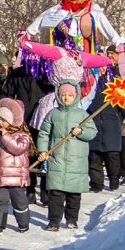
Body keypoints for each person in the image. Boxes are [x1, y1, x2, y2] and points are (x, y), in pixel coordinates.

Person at [37, 80, 97, 230]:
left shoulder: (82, 114)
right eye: (63, 95)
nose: (66, 98)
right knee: (55, 193)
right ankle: (54, 221)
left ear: (75, 96)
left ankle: (71, 219)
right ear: (58, 95)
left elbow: (92, 133)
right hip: (56, 159)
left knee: (73, 194)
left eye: (70, 95)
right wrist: (43, 150)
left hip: (76, 162)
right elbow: (44, 133)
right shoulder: (53, 114)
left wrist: (81, 132)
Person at [0, 99, 33, 234]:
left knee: (19, 202)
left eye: (3, 120)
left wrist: (5, 136)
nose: (0, 123)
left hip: (16, 178)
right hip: (0, 177)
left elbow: (17, 148)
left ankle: (23, 223)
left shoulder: (23, 135)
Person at [88, 67, 125, 192]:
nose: (100, 70)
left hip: (111, 128)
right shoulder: (88, 85)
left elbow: (124, 106)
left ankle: (114, 179)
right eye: (97, 69)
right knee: (94, 158)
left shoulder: (115, 86)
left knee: (112, 157)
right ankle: (96, 184)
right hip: (93, 127)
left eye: (103, 68)